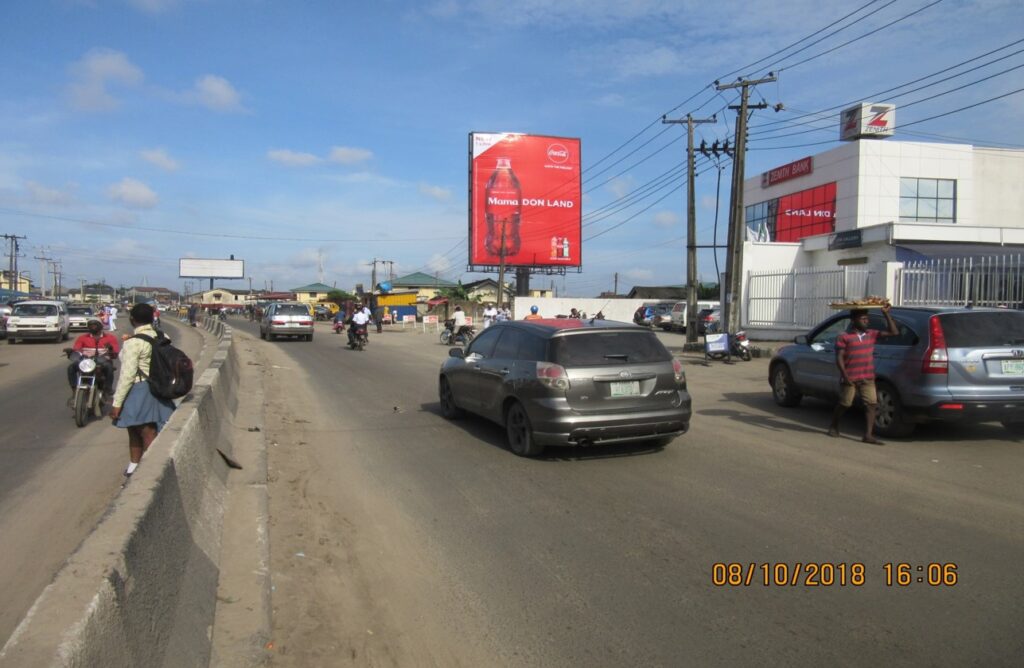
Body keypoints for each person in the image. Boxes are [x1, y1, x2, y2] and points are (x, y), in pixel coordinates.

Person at [109, 303, 176, 477]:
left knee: (140, 431)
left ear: (132, 319)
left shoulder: (134, 343)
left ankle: (143, 469)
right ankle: (144, 468)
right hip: (159, 387)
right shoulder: (163, 335)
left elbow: (127, 376)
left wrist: (117, 403)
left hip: (140, 389)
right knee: (152, 428)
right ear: (153, 318)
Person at [827, 305, 900, 445]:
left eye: (867, 319)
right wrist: (845, 375)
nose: (867, 321)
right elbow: (839, 358)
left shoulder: (871, 334)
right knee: (845, 403)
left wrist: (886, 314)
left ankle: (868, 435)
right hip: (850, 377)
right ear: (854, 320)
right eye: (863, 319)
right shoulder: (844, 337)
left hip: (867, 377)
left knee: (871, 404)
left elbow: (894, 332)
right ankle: (834, 425)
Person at [64, 319, 120, 398]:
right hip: (86, 362)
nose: (93, 327)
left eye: (95, 325)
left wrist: (110, 349)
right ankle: (74, 390)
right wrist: (71, 351)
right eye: (90, 325)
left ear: (101, 326)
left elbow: (115, 353)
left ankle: (108, 388)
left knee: (109, 367)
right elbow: (77, 349)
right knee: (71, 368)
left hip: (102, 361)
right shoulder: (82, 338)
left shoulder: (110, 338)